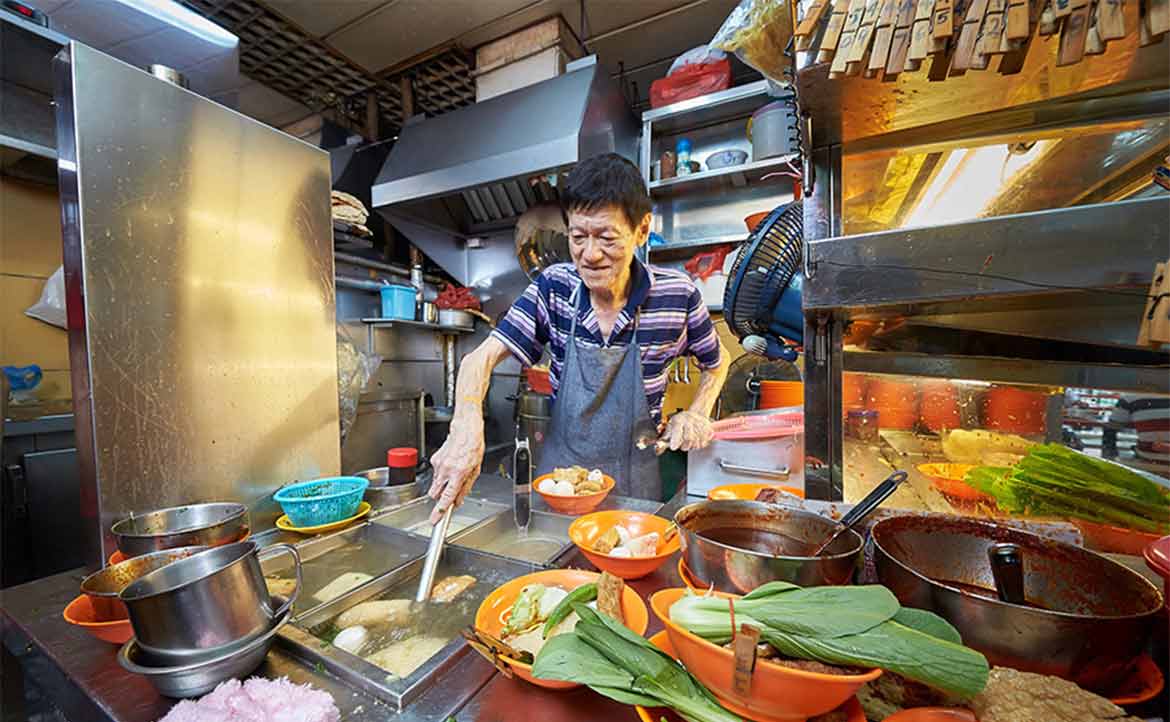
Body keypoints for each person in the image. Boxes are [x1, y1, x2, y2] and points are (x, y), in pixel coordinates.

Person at [427, 153, 730, 522]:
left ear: (642, 229)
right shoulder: (554, 287)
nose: (590, 254)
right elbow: (480, 358)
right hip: (562, 487)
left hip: (636, 490)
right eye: (578, 237)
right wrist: (465, 424)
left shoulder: (677, 296)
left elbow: (717, 362)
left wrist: (697, 414)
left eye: (606, 237)